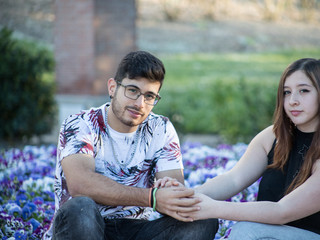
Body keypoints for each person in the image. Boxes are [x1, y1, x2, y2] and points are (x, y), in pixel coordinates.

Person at [158, 58, 320, 239]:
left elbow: (283, 211)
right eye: (286, 92)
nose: (292, 101)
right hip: (276, 233)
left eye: (304, 90)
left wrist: (212, 208)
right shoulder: (274, 136)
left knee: (247, 232)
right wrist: (184, 197)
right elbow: (233, 179)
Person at [43, 51, 218, 240]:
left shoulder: (161, 128)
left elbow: (174, 197)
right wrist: (152, 197)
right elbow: (80, 184)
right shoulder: (81, 123)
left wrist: (169, 188)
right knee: (80, 208)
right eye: (132, 90)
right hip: (85, 226)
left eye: (150, 96)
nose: (140, 104)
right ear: (112, 87)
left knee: (204, 220)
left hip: (137, 229)